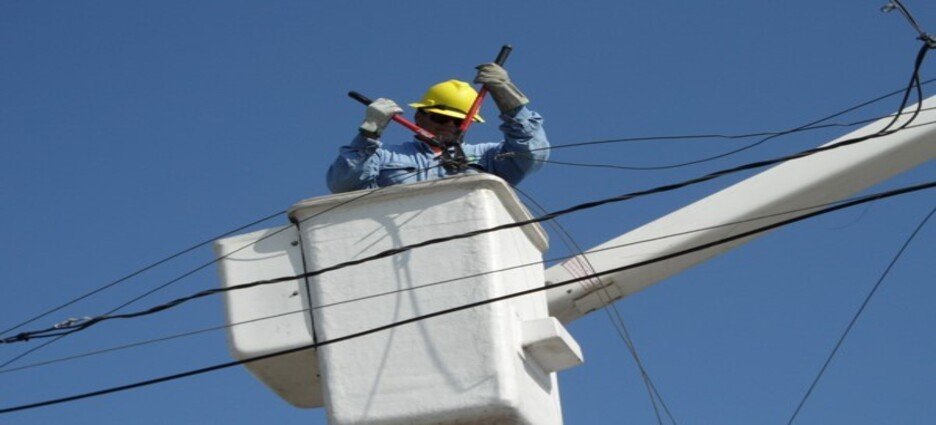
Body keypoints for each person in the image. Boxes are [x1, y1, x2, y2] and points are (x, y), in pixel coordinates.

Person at [326, 63, 549, 193]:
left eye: (459, 121)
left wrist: (509, 98)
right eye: (441, 118)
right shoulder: (383, 156)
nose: (450, 125)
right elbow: (343, 185)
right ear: (419, 116)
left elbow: (532, 154)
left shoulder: (488, 156)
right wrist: (368, 133)